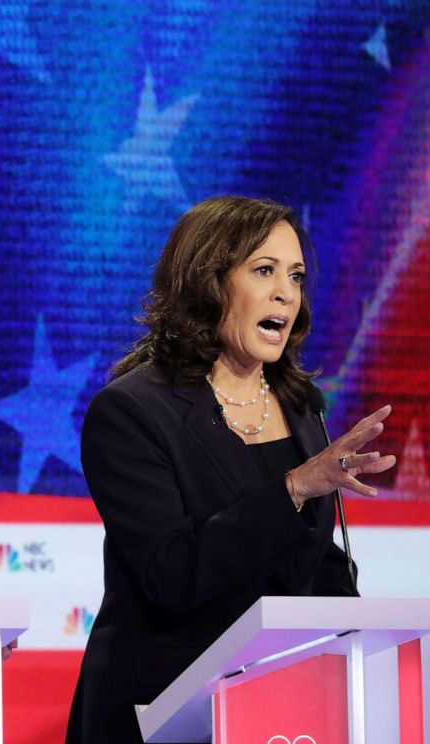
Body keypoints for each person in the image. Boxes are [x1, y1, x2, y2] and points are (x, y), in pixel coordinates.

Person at [65, 195, 396, 743]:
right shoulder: (132, 412)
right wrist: (293, 487)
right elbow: (172, 574)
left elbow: (305, 562)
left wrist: (372, 638)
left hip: (274, 712)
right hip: (160, 710)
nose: (286, 293)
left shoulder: (299, 405)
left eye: (295, 276)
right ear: (208, 282)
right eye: (264, 271)